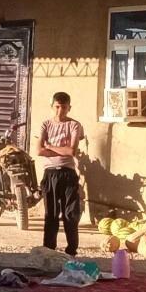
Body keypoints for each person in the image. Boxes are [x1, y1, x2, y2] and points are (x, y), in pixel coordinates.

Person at [37, 92, 86, 257]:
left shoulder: (74, 125)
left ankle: (71, 251)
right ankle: (49, 251)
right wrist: (59, 150)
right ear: (52, 106)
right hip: (50, 174)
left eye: (64, 107)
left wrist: (50, 146)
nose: (60, 111)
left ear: (69, 108)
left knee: (70, 214)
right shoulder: (45, 125)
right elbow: (39, 150)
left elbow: (71, 151)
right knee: (51, 214)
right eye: (57, 107)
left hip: (68, 174)